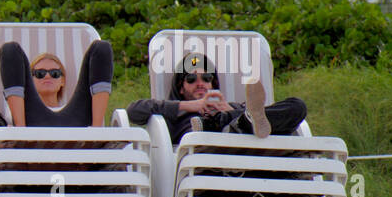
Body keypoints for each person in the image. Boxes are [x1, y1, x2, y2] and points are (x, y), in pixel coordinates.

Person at [125, 51, 307, 143]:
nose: (200, 83)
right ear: (180, 88)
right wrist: (191, 106)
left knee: (297, 106)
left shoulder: (234, 105)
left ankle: (243, 120)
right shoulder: (174, 114)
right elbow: (134, 111)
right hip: (211, 155)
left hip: (250, 145)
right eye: (191, 78)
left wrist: (230, 110)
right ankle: (233, 123)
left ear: (213, 83)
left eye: (206, 78)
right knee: (206, 126)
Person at [0, 40, 111, 128]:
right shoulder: (18, 110)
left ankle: (97, 130)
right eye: (40, 73)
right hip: (29, 124)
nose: (47, 76)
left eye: (55, 73)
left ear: (62, 80)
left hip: (76, 124)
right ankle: (21, 132)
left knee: (101, 47)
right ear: (29, 79)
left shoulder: (80, 111)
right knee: (10, 49)